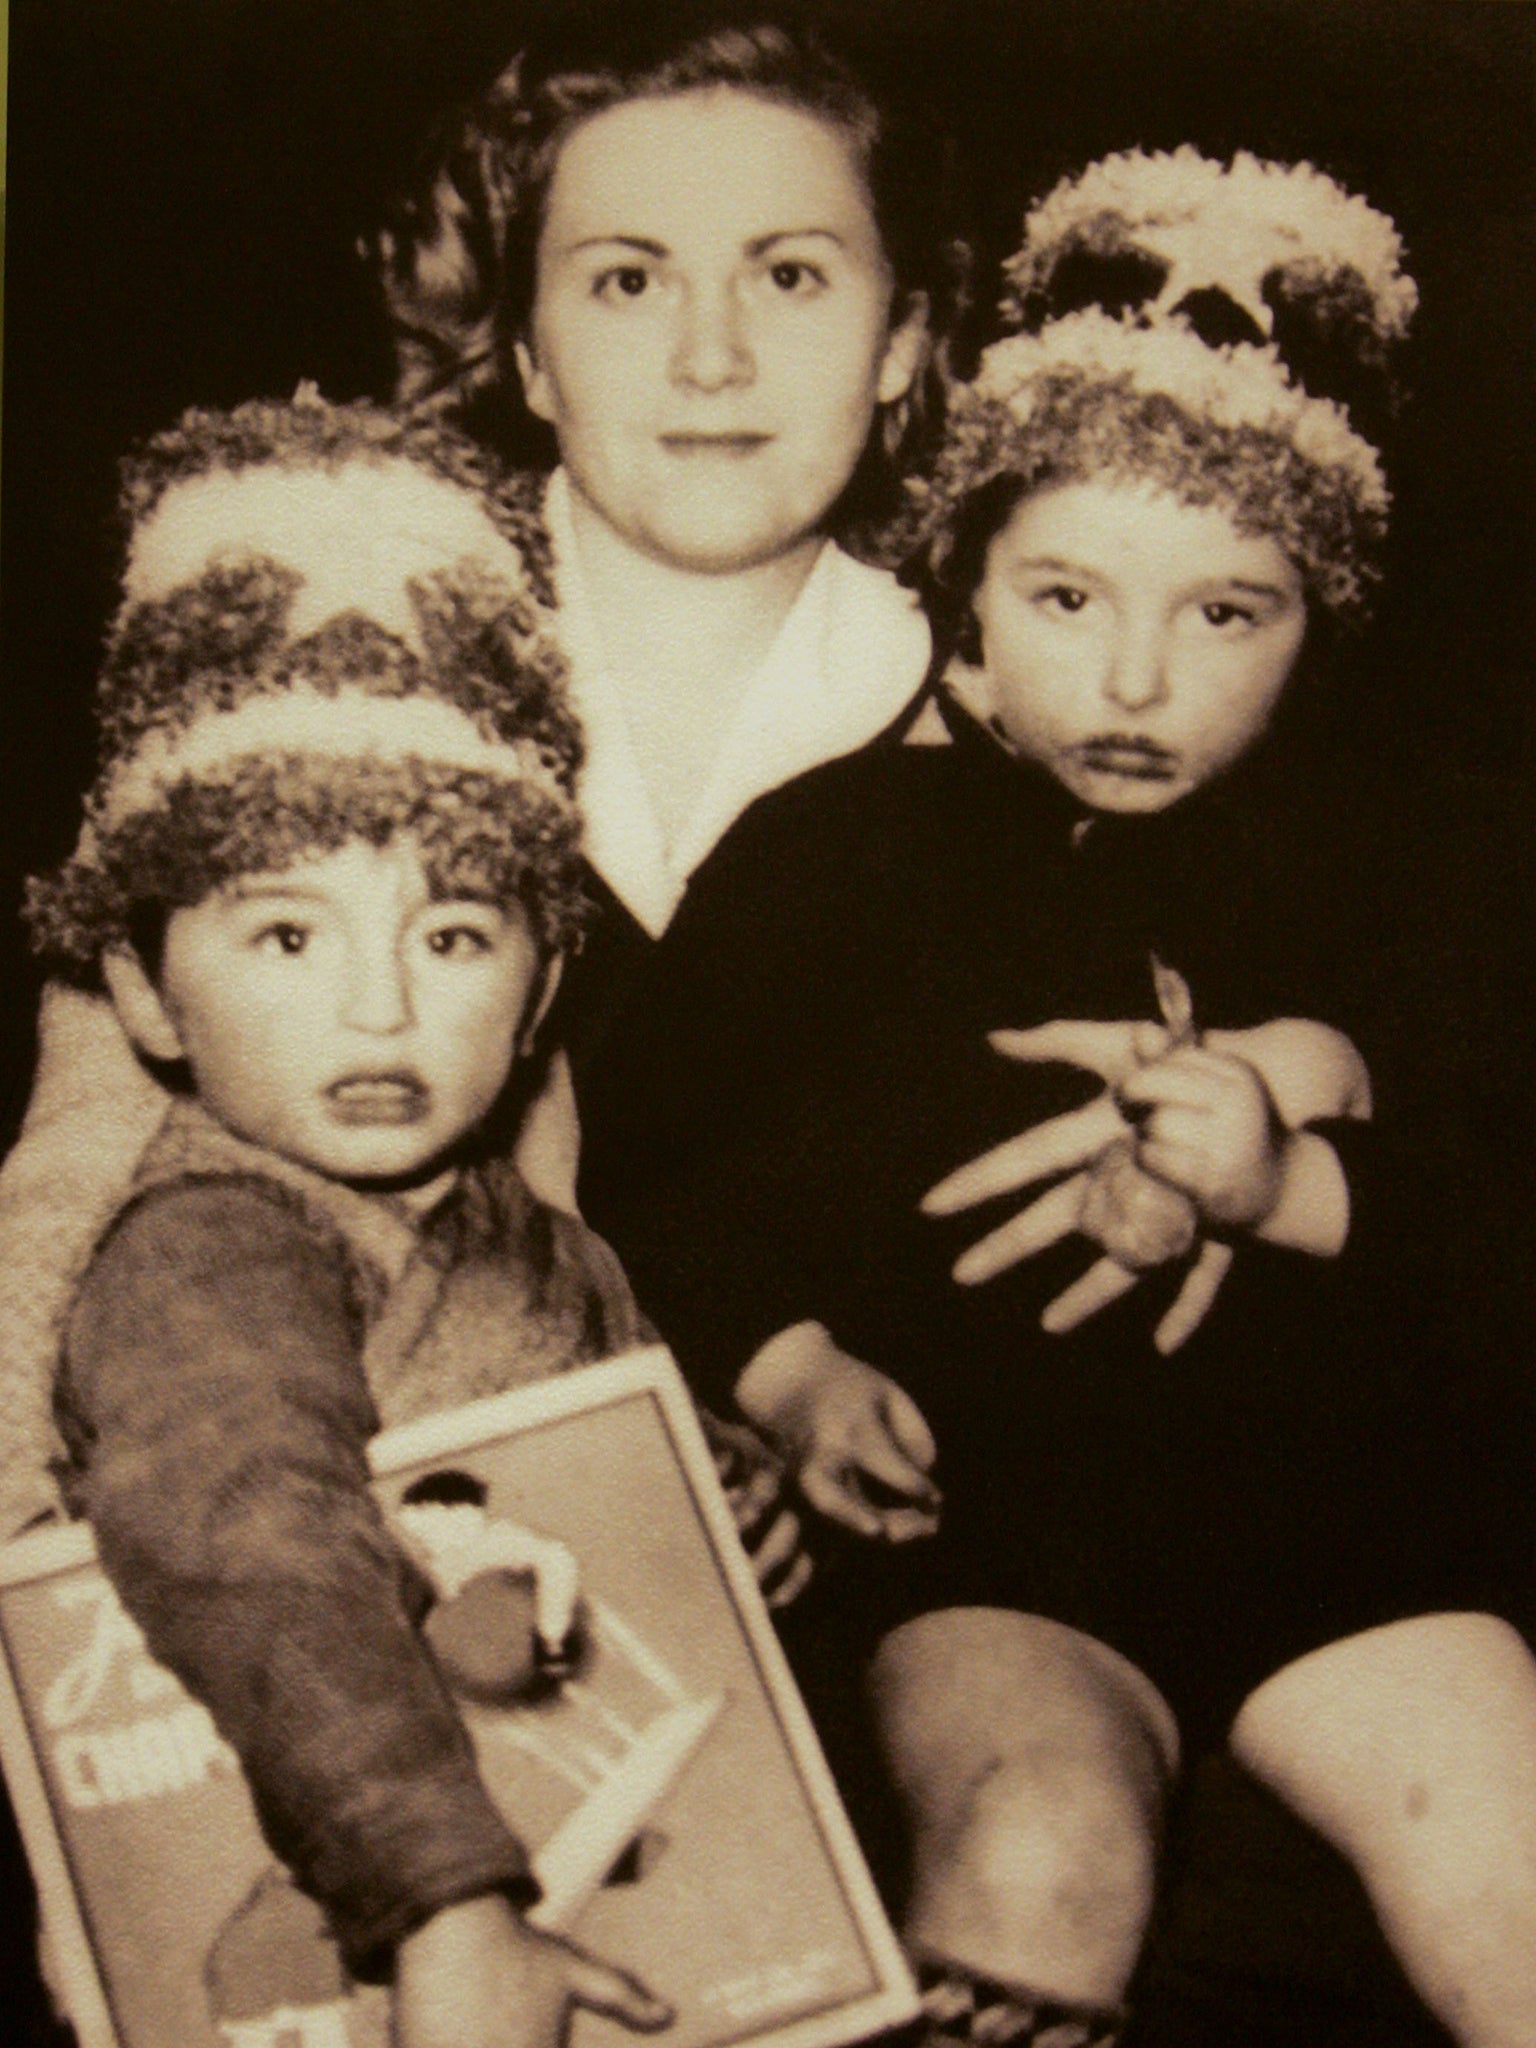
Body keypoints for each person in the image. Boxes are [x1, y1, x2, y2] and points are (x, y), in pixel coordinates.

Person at [567, 151, 1536, 2048]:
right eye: (1070, 594)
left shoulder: (1418, 871)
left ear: (1320, 620)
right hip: (998, 1540)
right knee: (1035, 1851)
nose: (1136, 677)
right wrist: (785, 1374)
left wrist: (1289, 1185)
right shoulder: (837, 849)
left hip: (1364, 1529)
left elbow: (1499, 1186)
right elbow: (661, 1156)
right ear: (969, 595)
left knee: (1505, 1835)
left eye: (1228, 614)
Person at [0, 8, 944, 1541]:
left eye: (791, 274)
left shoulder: (1032, 719)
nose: (712, 356)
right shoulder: (332, 652)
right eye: (628, 280)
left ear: (902, 336)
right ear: (528, 355)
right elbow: (81, 1149)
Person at [23, 390, 690, 2048]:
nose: (383, 1010)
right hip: (367, 1910)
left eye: (456, 935)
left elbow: (590, 1452)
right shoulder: (215, 1248)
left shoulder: (511, 1219)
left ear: (544, 985)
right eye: (289, 939)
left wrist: (716, 1478)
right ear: (142, 991)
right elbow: (252, 1535)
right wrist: (447, 1904)